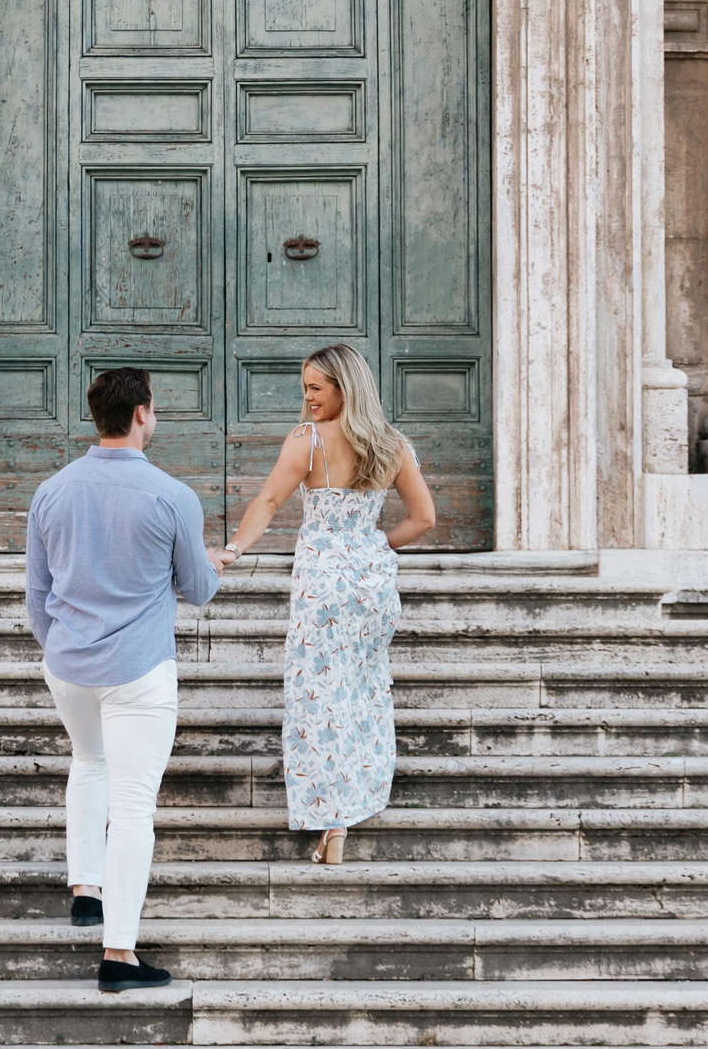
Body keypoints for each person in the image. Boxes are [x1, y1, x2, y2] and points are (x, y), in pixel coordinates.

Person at [24, 365, 223, 992]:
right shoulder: (172, 496)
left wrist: (60, 647)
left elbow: (38, 595)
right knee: (134, 806)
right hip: (138, 668)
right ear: (140, 414)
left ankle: (86, 888)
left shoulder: (51, 491)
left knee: (88, 763)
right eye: (155, 410)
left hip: (69, 663)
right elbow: (197, 589)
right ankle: (118, 955)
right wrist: (215, 561)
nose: (155, 418)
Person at [211, 343, 436, 863]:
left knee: (318, 700)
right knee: (360, 694)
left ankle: (330, 821)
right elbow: (423, 518)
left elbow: (268, 501)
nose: (307, 397)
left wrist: (233, 549)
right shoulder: (393, 444)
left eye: (316, 387)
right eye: (305, 387)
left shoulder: (307, 442)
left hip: (322, 587)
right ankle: (352, 809)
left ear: (344, 388)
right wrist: (378, 543)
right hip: (372, 584)